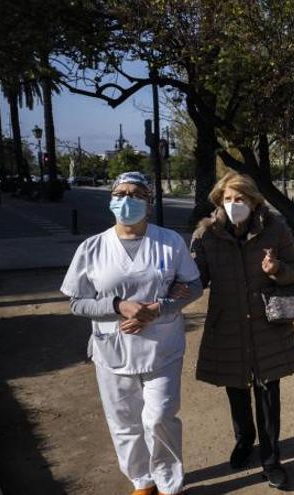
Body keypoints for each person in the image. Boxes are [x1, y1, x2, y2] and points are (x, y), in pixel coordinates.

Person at [61, 171, 202, 495]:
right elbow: (77, 303)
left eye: (136, 194)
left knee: (161, 417)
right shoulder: (92, 248)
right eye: (120, 193)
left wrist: (157, 309)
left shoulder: (169, 242)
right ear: (111, 200)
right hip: (112, 349)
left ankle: (169, 483)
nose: (127, 199)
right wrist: (117, 305)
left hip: (161, 347)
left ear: (149, 203)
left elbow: (192, 286)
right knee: (123, 422)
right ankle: (142, 480)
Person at [190, 172, 294, 489]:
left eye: (239, 198)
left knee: (268, 393)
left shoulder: (276, 229)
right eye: (227, 199)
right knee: (236, 387)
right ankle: (245, 440)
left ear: (254, 201)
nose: (233, 204)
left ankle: (271, 459)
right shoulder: (207, 234)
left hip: (267, 324)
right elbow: (196, 281)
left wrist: (277, 269)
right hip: (226, 324)